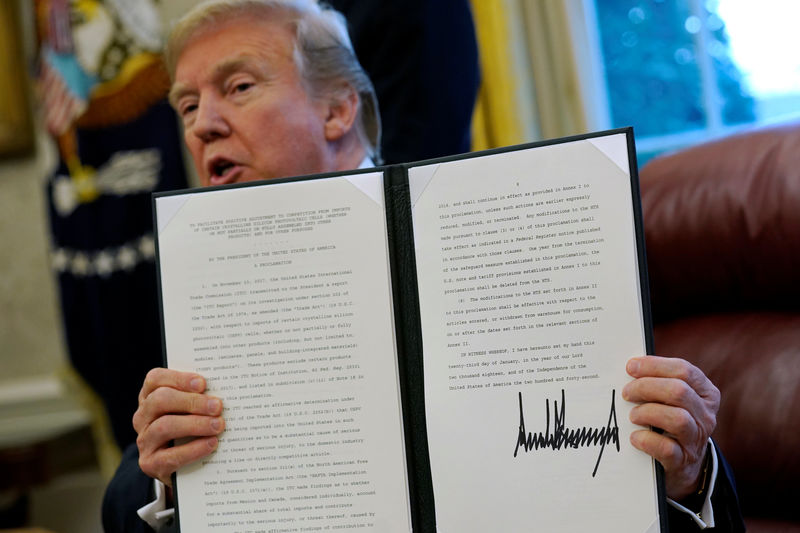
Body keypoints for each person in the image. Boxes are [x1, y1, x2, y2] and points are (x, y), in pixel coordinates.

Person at [102, 1, 745, 532]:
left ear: (338, 109)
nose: (202, 126)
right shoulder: (210, 280)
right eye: (186, 107)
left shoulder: (505, 230)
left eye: (238, 87)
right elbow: (123, 504)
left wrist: (688, 474)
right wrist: (166, 481)